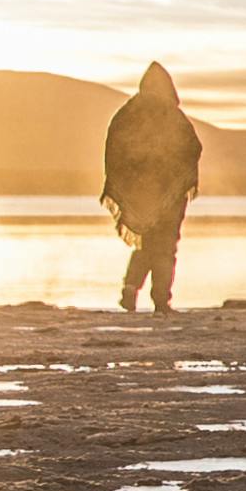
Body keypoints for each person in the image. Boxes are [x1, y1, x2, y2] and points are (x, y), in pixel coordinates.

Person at [102, 63, 203, 311]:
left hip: (139, 195)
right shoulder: (171, 114)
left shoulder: (126, 114)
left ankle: (129, 289)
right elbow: (193, 147)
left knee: (147, 244)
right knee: (166, 247)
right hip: (168, 193)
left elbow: (114, 150)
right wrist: (174, 175)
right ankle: (161, 301)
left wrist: (128, 181)